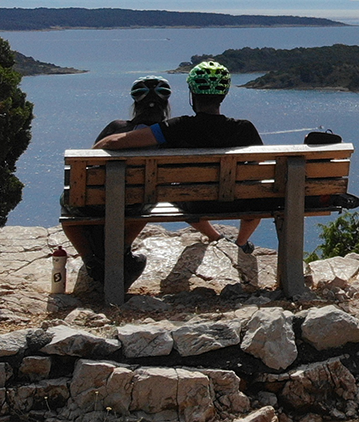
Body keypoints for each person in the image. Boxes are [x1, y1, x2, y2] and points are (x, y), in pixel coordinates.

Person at [94, 60, 267, 249]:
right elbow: (259, 167)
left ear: (192, 93)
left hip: (194, 202)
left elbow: (116, 142)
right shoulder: (245, 129)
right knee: (255, 189)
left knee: (175, 190)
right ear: (224, 94)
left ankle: (215, 237)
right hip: (240, 202)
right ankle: (241, 243)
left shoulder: (176, 127)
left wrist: (98, 147)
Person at [63, 75, 175, 286]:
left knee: (67, 202)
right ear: (166, 103)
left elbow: (90, 163)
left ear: (135, 103)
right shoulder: (173, 134)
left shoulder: (116, 128)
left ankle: (91, 261)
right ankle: (121, 250)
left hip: (95, 204)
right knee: (151, 197)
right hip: (136, 207)